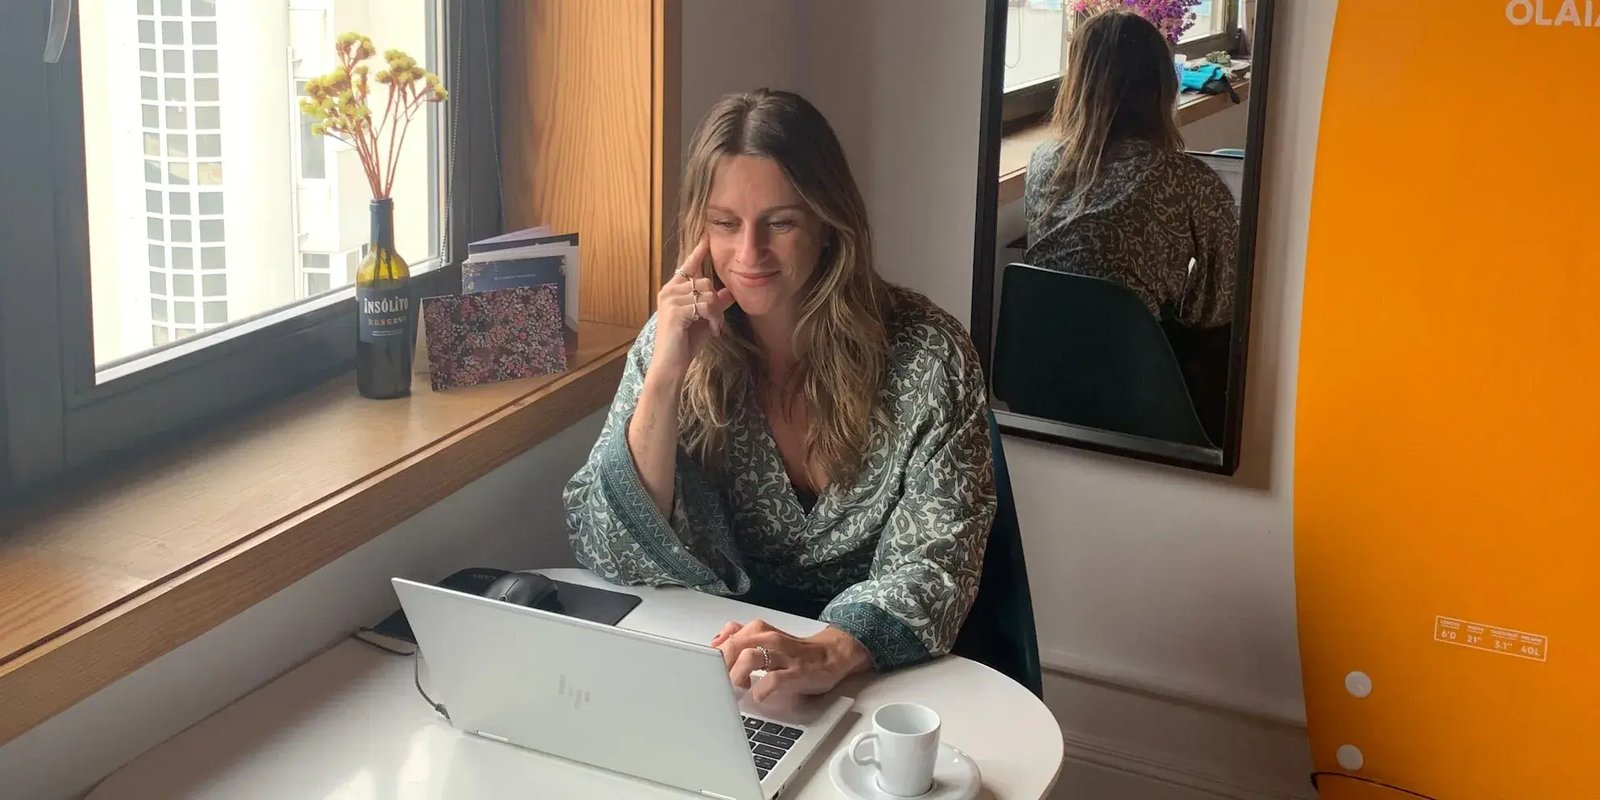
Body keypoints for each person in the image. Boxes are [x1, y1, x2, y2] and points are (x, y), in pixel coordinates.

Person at [563, 89, 996, 703]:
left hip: (884, 673)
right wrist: (664, 378)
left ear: (828, 224)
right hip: (723, 667)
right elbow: (605, 544)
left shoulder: (931, 357)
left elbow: (935, 562)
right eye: (724, 224)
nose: (749, 253)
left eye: (781, 222)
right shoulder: (673, 342)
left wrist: (829, 650)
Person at [1022, 9, 1238, 331]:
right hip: (1133, 357)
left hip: (1035, 350)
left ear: (1077, 86)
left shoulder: (1041, 162)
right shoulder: (1189, 180)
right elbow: (1217, 307)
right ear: (1162, 86)